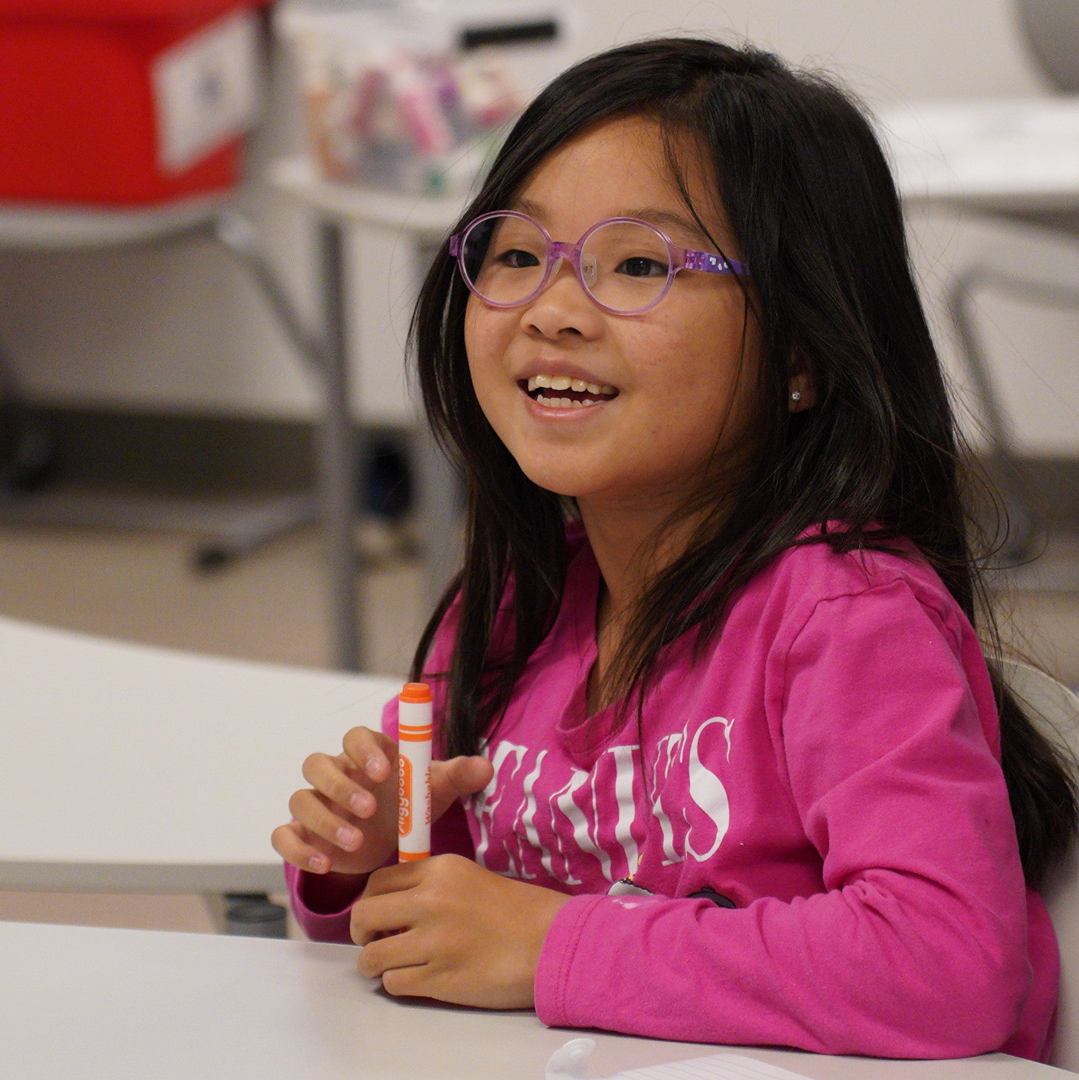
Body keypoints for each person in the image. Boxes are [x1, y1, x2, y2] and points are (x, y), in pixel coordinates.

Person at [272, 36, 1079, 1061]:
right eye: (517, 254)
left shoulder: (848, 622)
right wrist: (373, 863)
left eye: (640, 265)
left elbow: (946, 966)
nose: (553, 311)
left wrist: (554, 945)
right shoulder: (514, 605)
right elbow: (464, 926)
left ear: (801, 355)